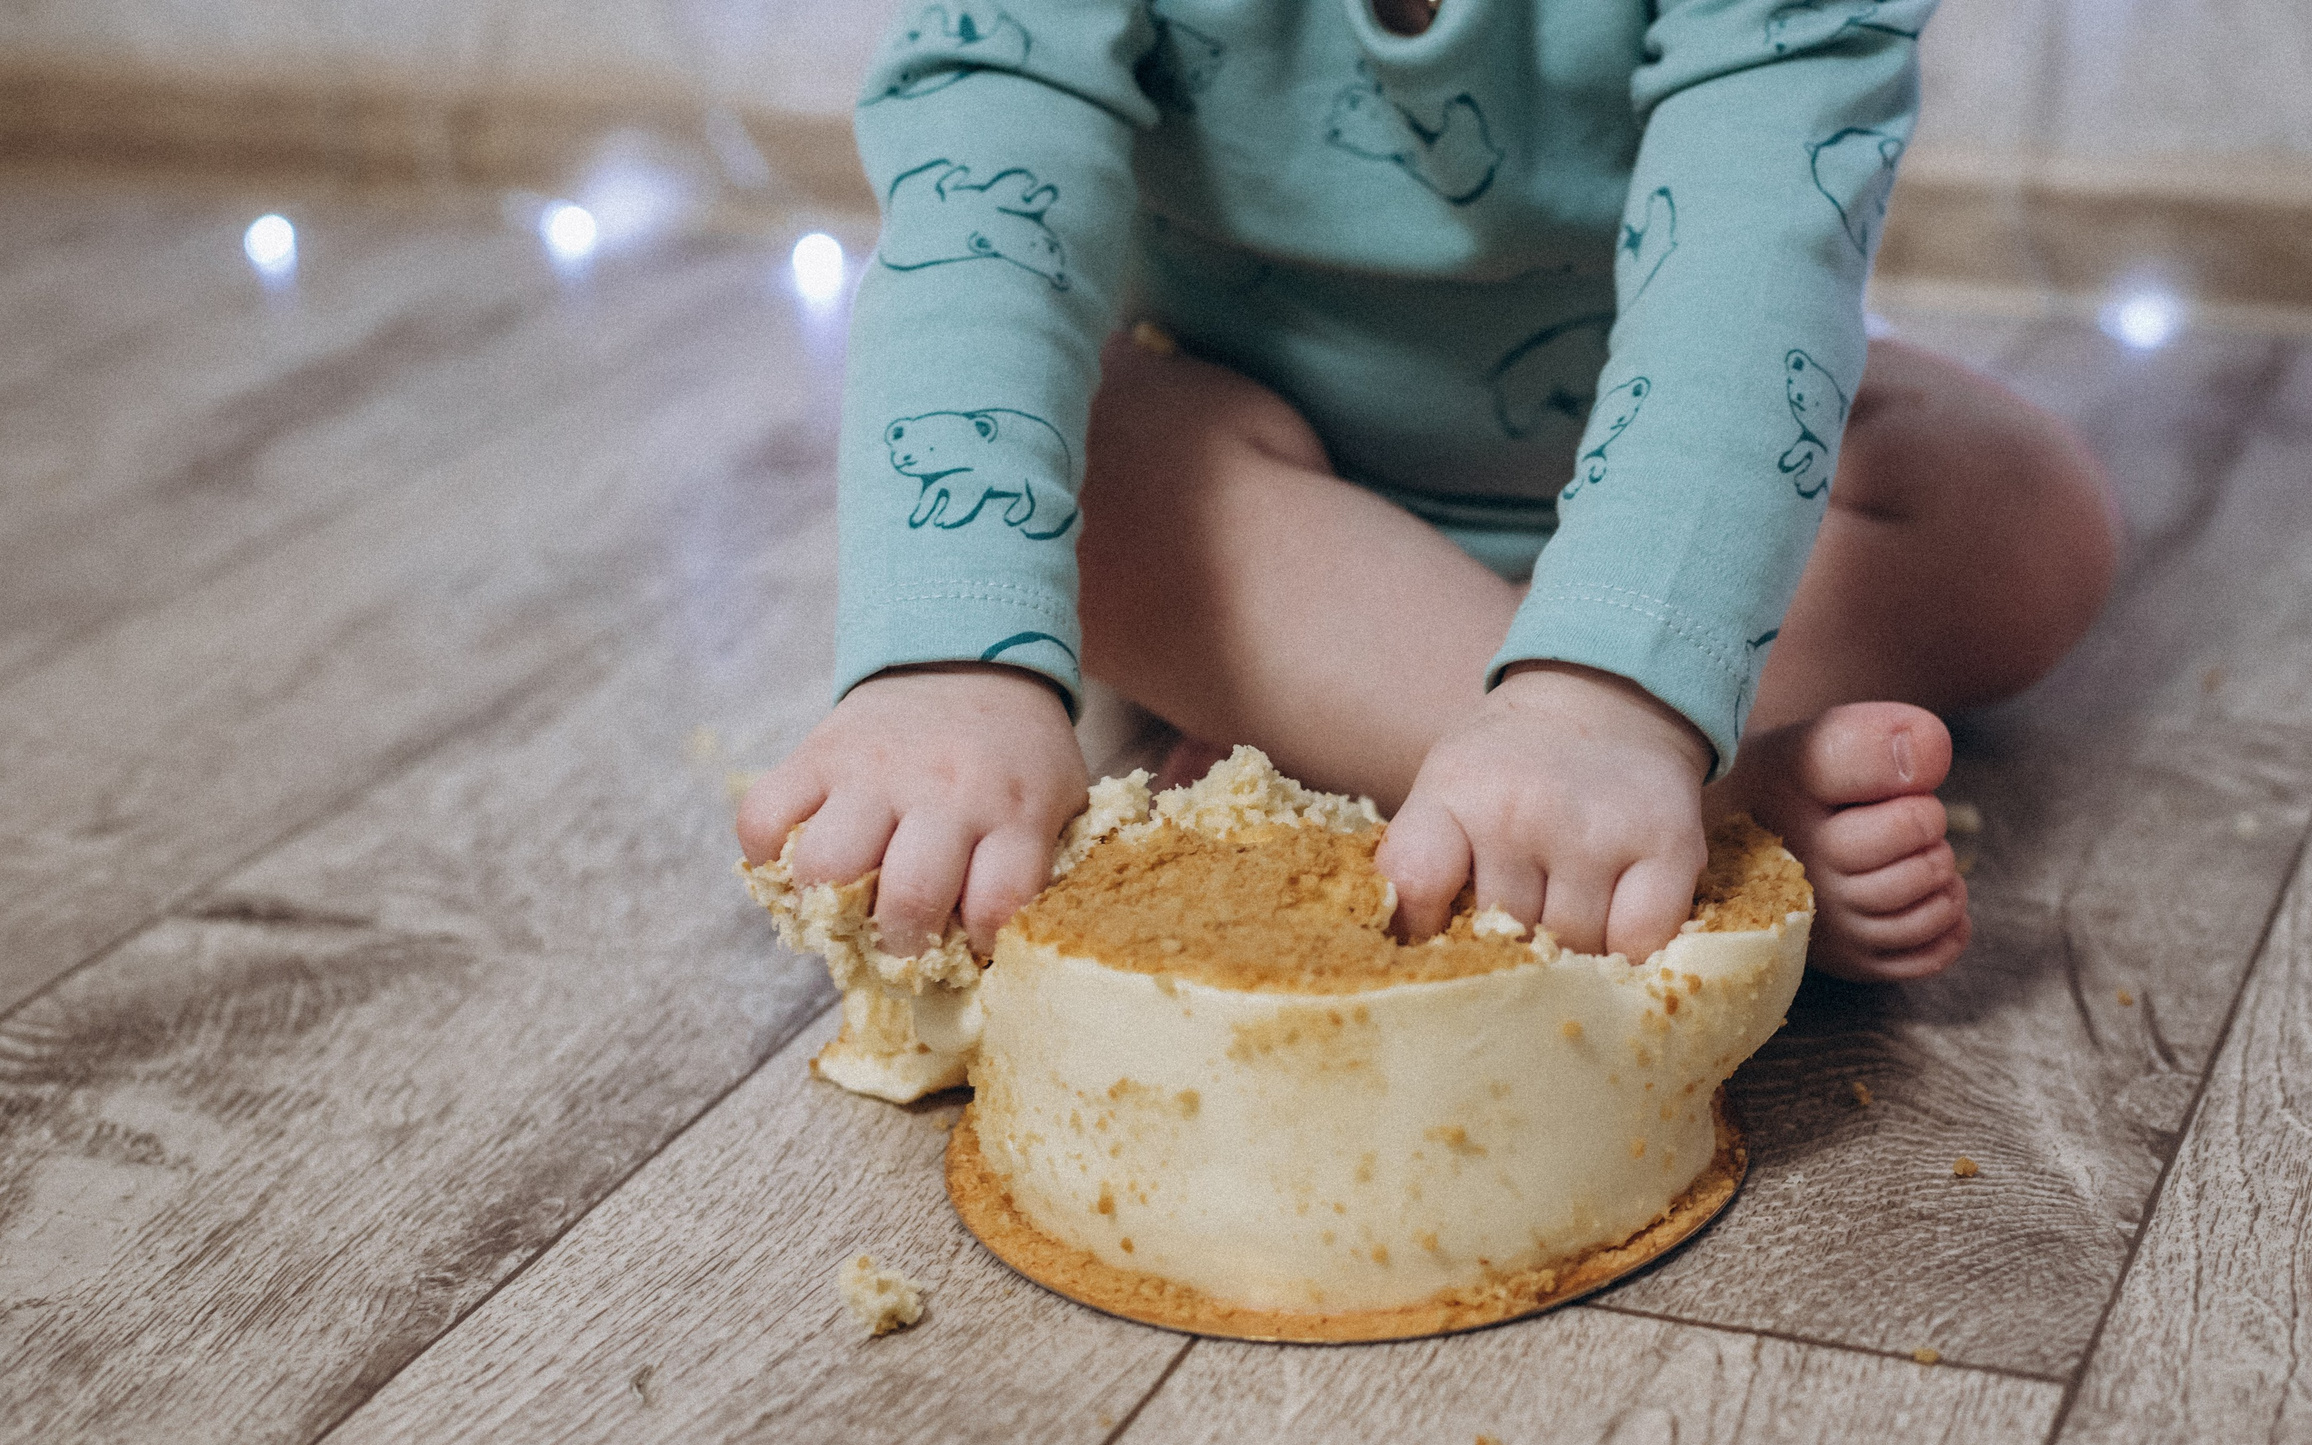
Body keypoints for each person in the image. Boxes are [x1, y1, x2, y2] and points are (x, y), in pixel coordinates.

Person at [738, 0, 2117, 982]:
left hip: (1664, 475)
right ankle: (1711, 797)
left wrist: (1609, 693)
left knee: (2025, 515)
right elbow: (988, 208)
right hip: (1274, 477)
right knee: (1086, 478)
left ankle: (1417, 726)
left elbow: (1758, 258)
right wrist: (947, 665)